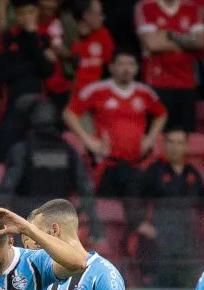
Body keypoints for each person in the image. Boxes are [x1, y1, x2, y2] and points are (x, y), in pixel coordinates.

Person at [63, 49, 167, 232]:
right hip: (107, 168)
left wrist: (150, 138)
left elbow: (161, 114)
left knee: (160, 180)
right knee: (127, 174)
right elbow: (69, 113)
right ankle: (138, 225)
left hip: (138, 165)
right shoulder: (98, 90)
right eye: (121, 64)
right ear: (111, 67)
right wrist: (88, 140)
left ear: (136, 68)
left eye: (131, 64)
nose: (126, 69)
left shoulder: (145, 93)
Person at [0, 100, 101, 238]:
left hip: (28, 221)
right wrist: (95, 224)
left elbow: (7, 187)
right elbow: (85, 188)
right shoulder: (69, 151)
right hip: (58, 221)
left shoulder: (22, 149)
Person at [138, 128, 204, 287]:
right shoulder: (153, 171)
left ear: (186, 147)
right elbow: (134, 200)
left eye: (180, 143)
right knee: (161, 286)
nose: (175, 147)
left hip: (188, 242)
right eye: (171, 142)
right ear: (164, 145)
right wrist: (141, 223)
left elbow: (203, 205)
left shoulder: (193, 173)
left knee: (189, 287)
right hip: (160, 240)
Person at [134, 0, 204, 131]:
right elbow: (152, 45)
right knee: (157, 134)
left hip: (187, 82)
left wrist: (170, 36)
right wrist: (186, 41)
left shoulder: (193, 8)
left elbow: (200, 43)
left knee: (185, 135)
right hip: (157, 82)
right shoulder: (146, 6)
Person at [0, 0, 54, 161]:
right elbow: (4, 73)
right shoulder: (8, 38)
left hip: (38, 102)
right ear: (16, 15)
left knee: (43, 151)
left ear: (37, 13)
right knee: (5, 151)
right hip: (14, 102)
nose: (27, 17)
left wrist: (32, 37)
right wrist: (32, 64)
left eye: (30, 13)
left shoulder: (43, 38)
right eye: (22, 13)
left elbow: (47, 71)